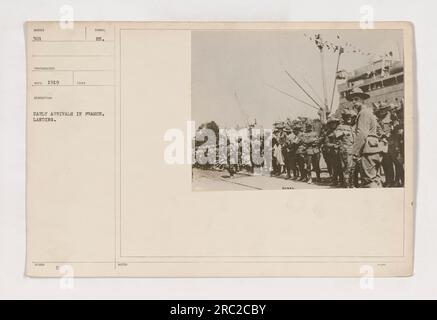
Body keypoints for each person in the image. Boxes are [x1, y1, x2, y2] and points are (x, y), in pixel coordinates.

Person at [349, 88, 382, 188]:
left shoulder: (363, 113)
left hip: (367, 151)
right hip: (374, 149)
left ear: (363, 100)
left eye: (356, 99)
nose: (354, 102)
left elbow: (362, 134)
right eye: (352, 100)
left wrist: (354, 153)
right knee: (376, 179)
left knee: (368, 181)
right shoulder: (368, 112)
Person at [375, 103, 395, 187]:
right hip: (382, 144)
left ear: (387, 109)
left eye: (384, 109)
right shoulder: (378, 119)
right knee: (385, 163)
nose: (383, 111)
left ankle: (391, 181)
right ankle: (388, 181)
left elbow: (394, 129)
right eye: (381, 110)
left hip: (391, 143)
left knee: (390, 164)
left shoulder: (391, 117)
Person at [335, 110, 356, 188]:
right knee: (347, 167)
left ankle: (352, 184)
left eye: (350, 117)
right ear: (344, 118)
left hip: (353, 149)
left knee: (353, 168)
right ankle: (347, 184)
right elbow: (336, 135)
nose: (349, 118)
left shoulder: (353, 127)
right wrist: (343, 133)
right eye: (347, 117)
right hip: (345, 149)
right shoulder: (340, 126)